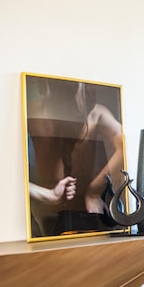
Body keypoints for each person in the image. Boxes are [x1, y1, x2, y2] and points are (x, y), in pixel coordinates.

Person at [25, 76, 124, 237]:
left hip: (87, 210)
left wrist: (94, 190)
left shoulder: (96, 114)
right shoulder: (32, 112)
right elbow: (8, 175)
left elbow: (126, 145)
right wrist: (47, 195)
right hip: (48, 213)